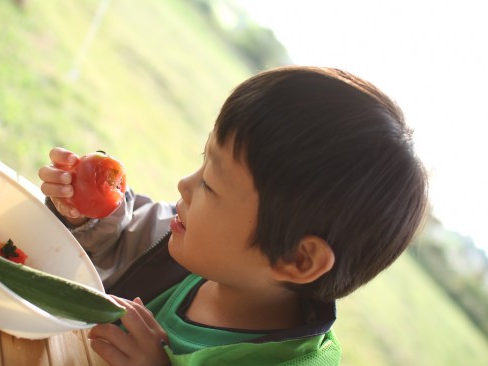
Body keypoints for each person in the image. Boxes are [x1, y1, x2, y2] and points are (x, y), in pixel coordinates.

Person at [39, 66, 428, 366]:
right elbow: (123, 238)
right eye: (202, 163)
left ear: (298, 259)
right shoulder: (196, 248)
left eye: (211, 184)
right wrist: (87, 214)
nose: (184, 185)